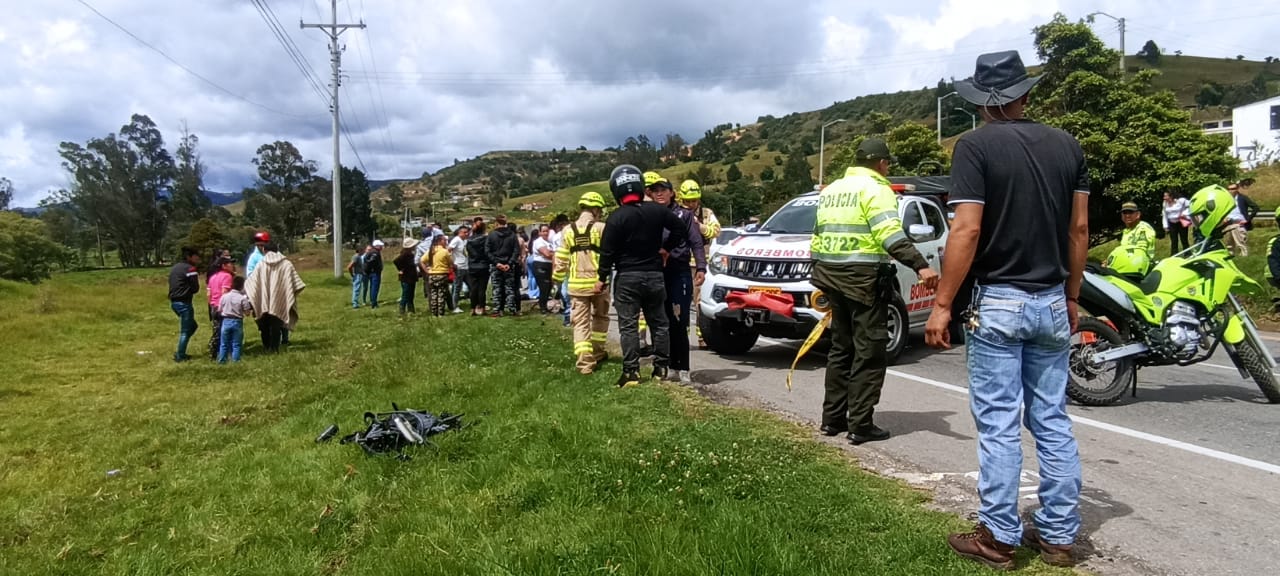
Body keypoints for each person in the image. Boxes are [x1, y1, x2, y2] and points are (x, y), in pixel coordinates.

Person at [923, 50, 1089, 570]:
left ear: (980, 102)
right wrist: (1072, 294)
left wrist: (942, 304)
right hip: (1051, 299)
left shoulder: (973, 146)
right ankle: (1059, 536)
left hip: (998, 300)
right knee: (1051, 418)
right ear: (1025, 94)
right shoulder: (1068, 145)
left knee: (998, 423)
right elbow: (1078, 230)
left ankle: (998, 536)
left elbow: (967, 229)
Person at [811, 138, 938, 444]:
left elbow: (817, 234)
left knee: (841, 349)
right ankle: (860, 425)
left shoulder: (834, 190)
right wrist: (921, 265)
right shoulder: (877, 189)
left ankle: (832, 420)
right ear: (882, 163)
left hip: (831, 276)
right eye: (887, 163)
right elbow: (889, 234)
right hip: (862, 280)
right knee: (869, 351)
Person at [597, 165, 689, 387]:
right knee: (659, 323)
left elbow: (607, 252)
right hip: (655, 275)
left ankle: (631, 372)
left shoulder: (616, 218)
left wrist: (602, 278)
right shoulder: (657, 211)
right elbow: (680, 230)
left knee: (628, 325)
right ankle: (661, 368)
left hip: (628, 276)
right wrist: (666, 248)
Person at [645, 171, 707, 384]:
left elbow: (696, 242)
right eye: (655, 191)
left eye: (663, 190)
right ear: (650, 194)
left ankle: (683, 368)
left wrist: (701, 267)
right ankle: (666, 366)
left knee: (678, 321)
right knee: (659, 321)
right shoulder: (647, 214)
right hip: (655, 272)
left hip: (679, 271)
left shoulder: (684, 215)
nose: (660, 194)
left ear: (672, 193)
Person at [555, 192, 611, 374]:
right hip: (598, 284)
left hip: (576, 286)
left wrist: (556, 278)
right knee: (600, 318)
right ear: (595, 209)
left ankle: (585, 364)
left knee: (580, 324)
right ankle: (598, 351)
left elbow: (561, 258)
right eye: (599, 210)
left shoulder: (567, 230)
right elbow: (609, 255)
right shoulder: (602, 228)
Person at [677, 179, 720, 348]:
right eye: (687, 201)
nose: (690, 204)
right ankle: (682, 337)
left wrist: (699, 226)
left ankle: (703, 337)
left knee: (700, 302)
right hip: (682, 264)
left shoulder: (707, 213)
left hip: (702, 266)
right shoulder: (678, 213)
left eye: (693, 201)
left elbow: (716, 231)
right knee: (682, 303)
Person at [245, 243, 306, 353]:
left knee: (264, 326)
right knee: (276, 326)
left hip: (264, 300)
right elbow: (296, 283)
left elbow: (251, 283)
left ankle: (266, 347)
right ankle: (275, 348)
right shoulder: (286, 264)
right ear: (277, 250)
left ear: (264, 250)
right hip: (280, 300)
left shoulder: (261, 264)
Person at [168, 246, 202, 362]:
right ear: (189, 257)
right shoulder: (191, 269)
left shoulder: (175, 267)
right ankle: (180, 355)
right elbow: (195, 288)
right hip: (184, 303)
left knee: (192, 326)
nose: (198, 258)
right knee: (185, 331)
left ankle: (181, 350)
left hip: (174, 302)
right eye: (196, 256)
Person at [1108, 201, 1157, 277]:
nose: (1127, 215)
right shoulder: (1127, 231)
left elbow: (1139, 252)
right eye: (1125, 213)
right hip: (1128, 267)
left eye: (1130, 212)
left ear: (1138, 214)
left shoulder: (1143, 229)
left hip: (1140, 270)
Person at [487, 215, 522, 316]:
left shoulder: (491, 235)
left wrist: (496, 262)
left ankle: (498, 310)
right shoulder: (512, 235)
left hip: (496, 265)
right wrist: (509, 263)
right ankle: (512, 309)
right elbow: (516, 250)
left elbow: (487, 250)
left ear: (496, 223)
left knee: (497, 288)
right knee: (509, 288)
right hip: (508, 265)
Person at [216, 276, 254, 363]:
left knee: (224, 343)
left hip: (225, 321)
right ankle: (236, 360)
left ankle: (222, 360)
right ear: (242, 286)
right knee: (236, 343)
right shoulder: (242, 298)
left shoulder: (224, 297)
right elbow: (247, 313)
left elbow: (219, 309)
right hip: (237, 321)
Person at [206, 257, 235, 360]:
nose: (232, 265)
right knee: (226, 331)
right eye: (230, 263)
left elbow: (208, 294)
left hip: (214, 306)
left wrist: (212, 305)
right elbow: (224, 293)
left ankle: (213, 352)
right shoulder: (227, 276)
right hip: (223, 307)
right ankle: (226, 353)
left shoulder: (212, 277)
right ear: (224, 266)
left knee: (216, 329)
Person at [466, 220, 492, 316]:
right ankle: (482, 308)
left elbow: (469, 252)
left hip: (472, 265)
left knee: (473, 288)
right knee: (482, 289)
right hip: (483, 265)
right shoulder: (486, 239)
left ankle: (472, 308)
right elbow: (488, 251)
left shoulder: (469, 240)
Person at [424, 233, 453, 316]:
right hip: (442, 274)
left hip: (432, 275)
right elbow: (450, 262)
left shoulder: (431, 251)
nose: (446, 242)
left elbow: (422, 261)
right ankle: (440, 313)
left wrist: (426, 270)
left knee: (433, 294)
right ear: (440, 241)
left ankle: (434, 313)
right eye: (444, 240)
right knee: (441, 294)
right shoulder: (444, 251)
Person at [530, 224, 556, 314]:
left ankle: (545, 305)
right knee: (544, 287)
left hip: (549, 266)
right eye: (543, 231)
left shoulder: (549, 242)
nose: (545, 233)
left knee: (549, 287)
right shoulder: (538, 242)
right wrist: (554, 254)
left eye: (547, 231)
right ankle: (542, 307)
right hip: (540, 266)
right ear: (540, 232)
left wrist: (552, 253)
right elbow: (547, 254)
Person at [1224, 183, 1255, 256]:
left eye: (1233, 189)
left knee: (1241, 243)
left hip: (1239, 224)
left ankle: (1245, 259)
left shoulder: (1242, 198)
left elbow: (1255, 208)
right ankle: (1230, 258)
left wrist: (1247, 219)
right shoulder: (1225, 199)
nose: (1231, 191)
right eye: (1229, 189)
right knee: (1229, 245)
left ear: (1237, 189)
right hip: (1228, 224)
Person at [394, 238, 420, 315]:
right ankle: (402, 309)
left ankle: (411, 309)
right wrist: (401, 269)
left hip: (411, 277)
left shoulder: (410, 254)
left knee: (411, 294)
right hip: (406, 277)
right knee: (406, 294)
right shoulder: (405, 254)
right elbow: (396, 261)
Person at [449, 226, 471, 313]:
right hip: (459, 266)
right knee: (457, 287)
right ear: (459, 232)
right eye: (464, 232)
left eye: (467, 232)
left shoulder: (464, 241)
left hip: (466, 266)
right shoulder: (456, 240)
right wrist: (452, 263)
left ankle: (476, 303)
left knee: (471, 286)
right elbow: (449, 250)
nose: (467, 234)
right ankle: (454, 306)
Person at [365, 240, 385, 308]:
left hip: (371, 272)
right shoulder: (375, 253)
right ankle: (374, 303)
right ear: (377, 246)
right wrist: (376, 267)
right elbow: (372, 261)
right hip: (375, 273)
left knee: (372, 287)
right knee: (375, 288)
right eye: (380, 246)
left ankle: (372, 301)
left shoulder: (371, 252)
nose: (382, 247)